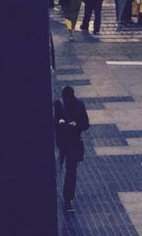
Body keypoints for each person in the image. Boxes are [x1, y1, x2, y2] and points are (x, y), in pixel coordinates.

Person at [54, 84, 89, 212]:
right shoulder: (58, 105)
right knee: (63, 170)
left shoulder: (79, 106)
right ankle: (65, 196)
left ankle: (68, 197)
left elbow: (85, 124)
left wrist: (76, 125)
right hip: (61, 143)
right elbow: (53, 121)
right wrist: (60, 123)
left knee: (71, 171)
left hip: (72, 143)